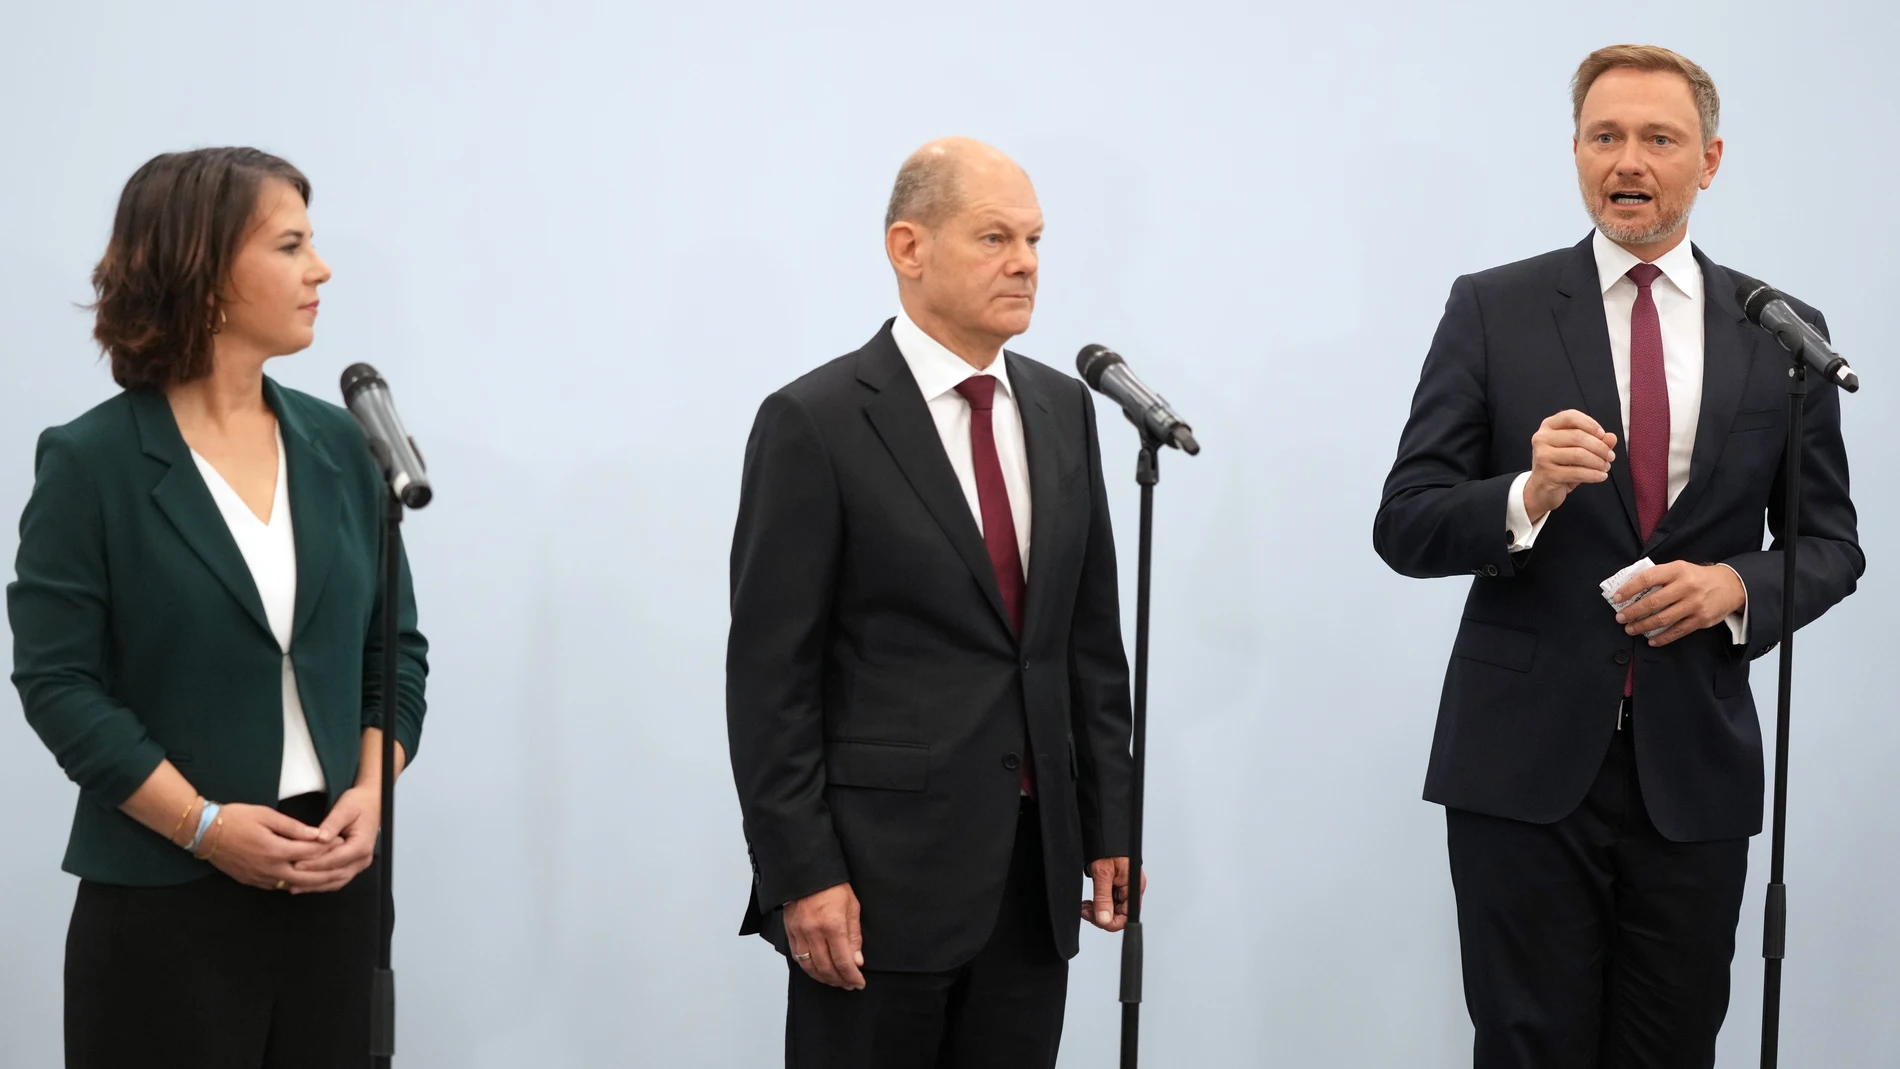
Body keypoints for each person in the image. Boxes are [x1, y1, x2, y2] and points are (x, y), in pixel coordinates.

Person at [1374, 44, 1864, 1068]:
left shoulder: (1779, 333)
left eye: (1656, 138)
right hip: (1519, 763)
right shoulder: (1491, 308)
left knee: (1670, 1048)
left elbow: (1829, 545)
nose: (1626, 160)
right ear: (1574, 152)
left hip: (1692, 764)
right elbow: (1406, 522)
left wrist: (1739, 584)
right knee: (1526, 1044)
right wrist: (1525, 494)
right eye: (1604, 136)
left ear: (1709, 160)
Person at [8, 147, 430, 1069]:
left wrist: (370, 790)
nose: (320, 268)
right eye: (290, 245)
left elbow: (392, 652)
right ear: (203, 273)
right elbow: (59, 683)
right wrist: (205, 825)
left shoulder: (340, 442)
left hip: (335, 888)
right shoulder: (92, 462)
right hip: (165, 894)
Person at [725, 137, 1141, 1068]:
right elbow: (769, 679)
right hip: (877, 884)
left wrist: (1111, 823)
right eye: (996, 236)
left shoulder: (1065, 409)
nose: (1026, 261)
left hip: (1033, 882)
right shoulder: (816, 421)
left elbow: (1088, 645)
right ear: (907, 248)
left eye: (1034, 239)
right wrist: (804, 873)